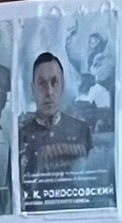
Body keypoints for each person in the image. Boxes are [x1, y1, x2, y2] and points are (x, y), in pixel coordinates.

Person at [19, 50, 93, 180]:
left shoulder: (82, 131)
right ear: (33, 89)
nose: (49, 91)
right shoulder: (21, 136)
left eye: (55, 82)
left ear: (62, 86)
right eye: (42, 83)